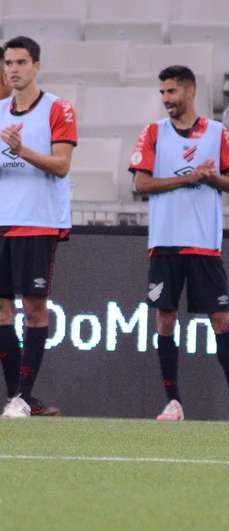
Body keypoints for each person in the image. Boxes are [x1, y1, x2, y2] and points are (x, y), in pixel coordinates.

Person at [129, 65, 229, 424]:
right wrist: (189, 178)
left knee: (221, 319)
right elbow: (141, 185)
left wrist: (210, 177)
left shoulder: (217, 132)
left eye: (171, 92)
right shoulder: (153, 133)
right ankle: (172, 402)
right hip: (165, 240)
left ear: (190, 92)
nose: (166, 100)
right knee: (165, 317)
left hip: (204, 241)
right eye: (162, 93)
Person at [0, 36, 77, 418]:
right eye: (8, 62)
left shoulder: (58, 109)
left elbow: (62, 165)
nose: (13, 68)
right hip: (2, 220)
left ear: (36, 66)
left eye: (21, 62)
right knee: (1, 312)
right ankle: (21, 398)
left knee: (34, 310)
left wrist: (21, 151)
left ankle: (22, 396)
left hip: (37, 221)